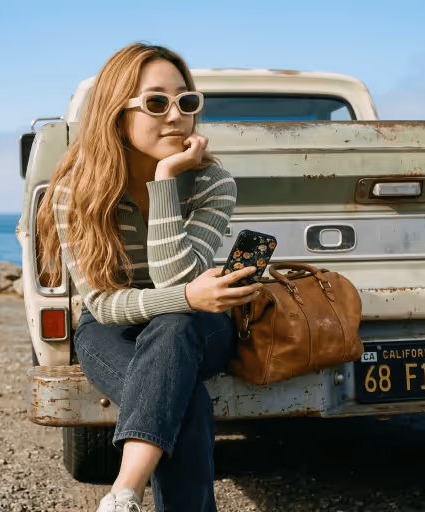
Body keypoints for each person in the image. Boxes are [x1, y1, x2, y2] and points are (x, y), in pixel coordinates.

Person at [36, 42, 262, 512]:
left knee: (177, 324)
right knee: (186, 398)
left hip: (204, 324)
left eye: (186, 101)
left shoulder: (212, 182)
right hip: (110, 326)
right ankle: (126, 495)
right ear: (117, 114)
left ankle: (123, 491)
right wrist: (186, 297)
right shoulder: (73, 191)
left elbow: (172, 278)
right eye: (157, 102)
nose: (176, 115)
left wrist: (164, 182)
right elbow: (102, 305)